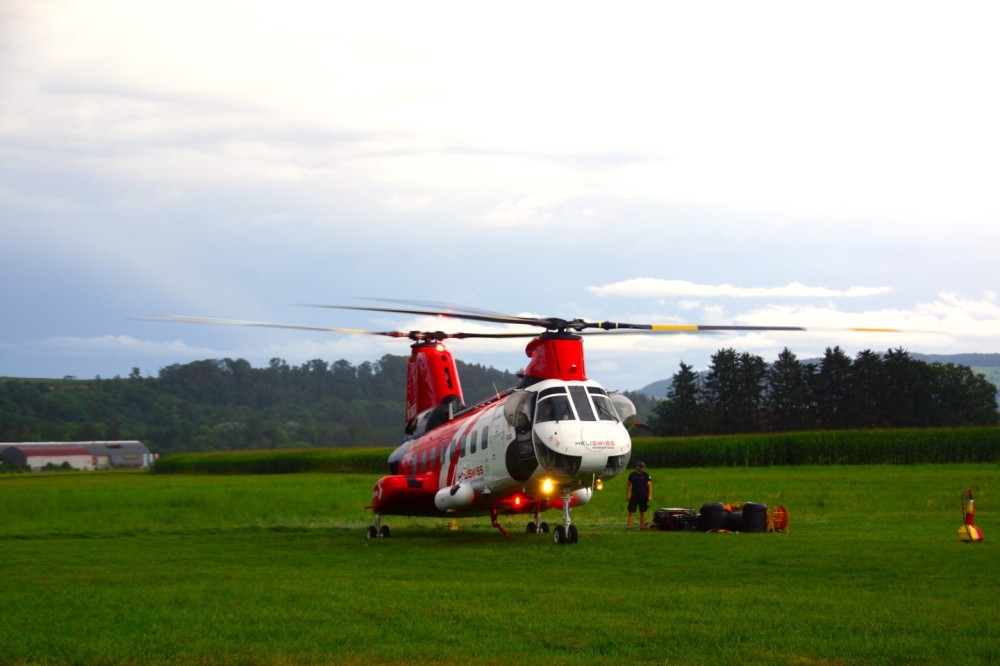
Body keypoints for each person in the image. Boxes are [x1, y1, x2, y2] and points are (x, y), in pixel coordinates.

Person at [626, 461, 652, 529]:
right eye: (641, 467)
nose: (642, 468)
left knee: (642, 512)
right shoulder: (632, 475)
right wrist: (628, 495)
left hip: (643, 496)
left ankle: (642, 526)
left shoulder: (646, 475)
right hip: (634, 495)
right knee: (631, 512)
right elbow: (628, 485)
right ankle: (629, 527)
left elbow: (649, 486)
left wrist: (649, 496)